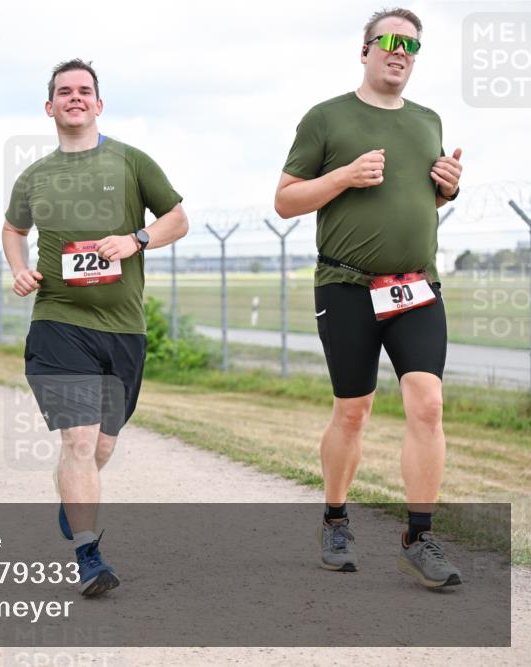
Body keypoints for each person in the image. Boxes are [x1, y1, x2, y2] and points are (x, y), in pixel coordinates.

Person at [275, 7, 464, 588]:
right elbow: (286, 200)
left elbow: (416, 202)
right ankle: (335, 517)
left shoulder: (428, 121)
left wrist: (448, 191)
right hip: (346, 286)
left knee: (427, 405)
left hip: (415, 285)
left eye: (410, 45)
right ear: (364, 51)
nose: (398, 51)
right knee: (352, 411)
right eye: (386, 40)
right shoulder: (326, 117)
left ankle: (420, 537)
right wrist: (344, 177)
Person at [3, 59, 188, 597]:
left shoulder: (131, 161)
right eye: (65, 91)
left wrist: (138, 240)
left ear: (99, 104)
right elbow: (14, 228)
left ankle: (74, 498)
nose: (75, 98)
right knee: (78, 439)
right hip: (59, 321)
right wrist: (19, 268)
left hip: (123, 329)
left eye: (85, 91)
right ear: (50, 106)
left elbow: (177, 217)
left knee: (102, 446)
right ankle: (89, 554)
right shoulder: (35, 176)